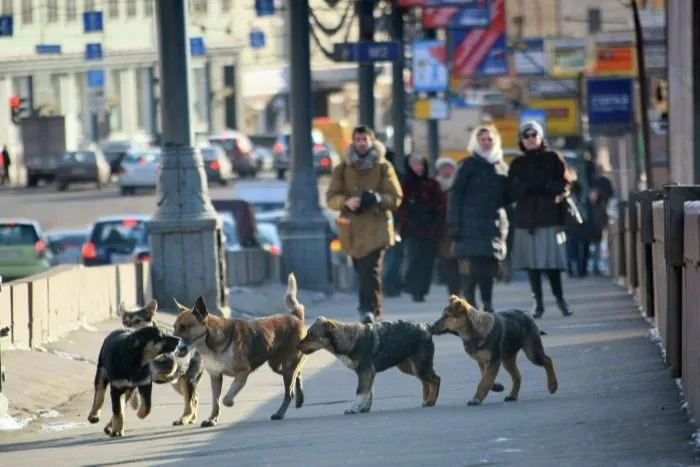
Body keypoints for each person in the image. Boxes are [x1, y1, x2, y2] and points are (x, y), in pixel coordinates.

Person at [326, 125, 403, 324]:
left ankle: (367, 309)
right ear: (353, 142)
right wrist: (346, 202)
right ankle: (375, 308)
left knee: (372, 269)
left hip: (377, 228)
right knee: (362, 272)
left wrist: (377, 199)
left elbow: (396, 197)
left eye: (365, 140)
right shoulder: (342, 169)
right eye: (358, 140)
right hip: (352, 230)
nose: (361, 144)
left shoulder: (383, 166)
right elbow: (331, 198)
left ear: (371, 141)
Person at [508, 120, 573, 318]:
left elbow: (565, 184)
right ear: (521, 139)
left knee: (552, 265)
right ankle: (538, 304)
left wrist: (545, 187)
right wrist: (525, 187)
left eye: (534, 134)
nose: (530, 139)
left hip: (549, 218)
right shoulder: (517, 163)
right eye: (526, 136)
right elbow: (510, 190)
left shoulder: (553, 158)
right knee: (532, 266)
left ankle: (561, 301)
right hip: (526, 220)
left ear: (541, 137)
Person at [448, 125, 510, 313]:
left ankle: (488, 305)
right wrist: (454, 225)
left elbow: (508, 198)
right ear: (476, 141)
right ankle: (470, 306)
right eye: (482, 139)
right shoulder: (467, 164)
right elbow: (455, 196)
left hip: (493, 226)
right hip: (468, 227)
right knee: (470, 272)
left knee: (489, 270)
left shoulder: (501, 166)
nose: (486, 143)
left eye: (489, 139)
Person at [396, 153, 445, 302]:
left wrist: (434, 219)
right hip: (412, 229)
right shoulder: (404, 184)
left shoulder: (432, 184)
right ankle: (413, 288)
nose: (419, 167)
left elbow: (440, 205)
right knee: (414, 259)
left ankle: (423, 288)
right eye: (415, 164)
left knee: (427, 260)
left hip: (430, 229)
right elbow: (399, 206)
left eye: (421, 164)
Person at [434, 157, 460, 296]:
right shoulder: (435, 185)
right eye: (443, 167)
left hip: (458, 226)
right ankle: (453, 289)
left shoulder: (459, 183)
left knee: (459, 260)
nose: (446, 170)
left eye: (449, 167)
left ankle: (459, 287)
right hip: (442, 228)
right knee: (447, 260)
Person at [585, 163, 614, 275]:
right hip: (599, 218)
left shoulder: (595, 182)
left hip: (598, 218)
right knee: (599, 242)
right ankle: (598, 265)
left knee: (599, 242)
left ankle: (598, 265)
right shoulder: (603, 182)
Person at [565, 169, 589, 278]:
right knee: (572, 249)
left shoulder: (580, 189)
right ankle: (574, 270)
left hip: (578, 224)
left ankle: (578, 270)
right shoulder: (569, 191)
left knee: (577, 249)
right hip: (573, 224)